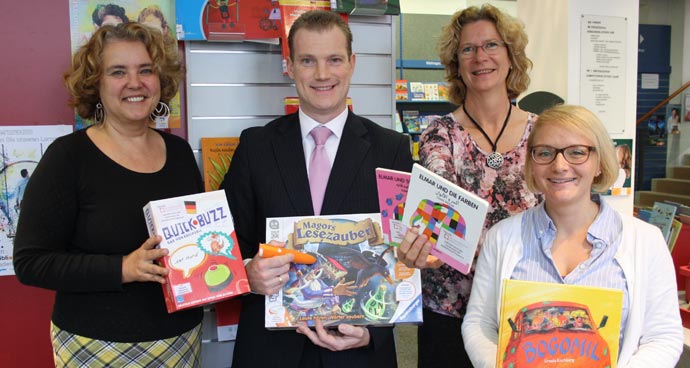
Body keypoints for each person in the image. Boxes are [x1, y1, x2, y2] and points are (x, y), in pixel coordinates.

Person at [220, 10, 412, 368]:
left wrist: (374, 333)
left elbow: (404, 256)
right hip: (271, 350)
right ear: (289, 66)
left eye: (334, 60)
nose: (322, 74)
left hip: (358, 350)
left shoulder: (392, 150)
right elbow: (227, 241)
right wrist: (248, 272)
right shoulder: (256, 146)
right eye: (308, 61)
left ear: (352, 64)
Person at [13, 23, 204, 367]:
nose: (135, 82)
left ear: (160, 79)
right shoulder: (69, 157)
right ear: (96, 84)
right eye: (118, 72)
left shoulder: (179, 153)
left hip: (180, 341)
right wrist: (122, 268)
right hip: (95, 344)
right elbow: (31, 263)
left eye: (146, 70)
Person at [462, 105, 684, 367]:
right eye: (545, 153)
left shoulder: (646, 241)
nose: (559, 165)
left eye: (577, 152)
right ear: (532, 163)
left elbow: (663, 336)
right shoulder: (501, 238)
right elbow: (479, 323)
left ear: (599, 163)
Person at [396, 5, 542, 367]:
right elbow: (435, 215)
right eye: (468, 49)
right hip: (449, 312)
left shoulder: (542, 132)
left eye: (492, 45)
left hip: (525, 309)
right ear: (456, 63)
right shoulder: (440, 134)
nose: (481, 57)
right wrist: (417, 245)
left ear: (511, 56)